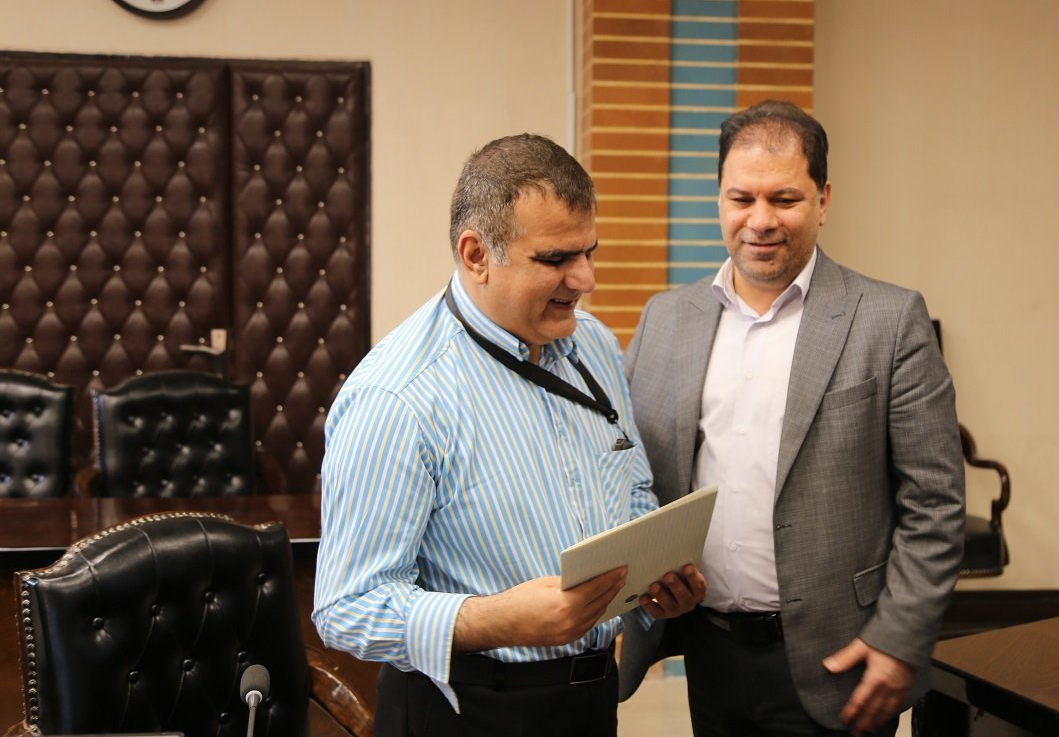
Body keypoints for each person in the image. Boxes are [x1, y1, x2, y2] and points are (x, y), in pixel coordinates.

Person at [313, 134, 706, 737]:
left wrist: (654, 579)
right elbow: (347, 608)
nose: (586, 278)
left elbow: (629, 490)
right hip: (468, 710)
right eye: (555, 259)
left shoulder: (594, 345)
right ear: (476, 255)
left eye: (589, 251)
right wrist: (496, 620)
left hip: (592, 700)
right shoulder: (397, 398)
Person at [617, 101, 965, 736]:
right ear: (719, 198)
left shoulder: (888, 321)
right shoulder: (665, 320)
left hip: (842, 657)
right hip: (707, 648)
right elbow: (626, 473)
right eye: (741, 198)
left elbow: (935, 505)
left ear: (823, 199)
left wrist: (899, 637)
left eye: (784, 199)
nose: (760, 220)